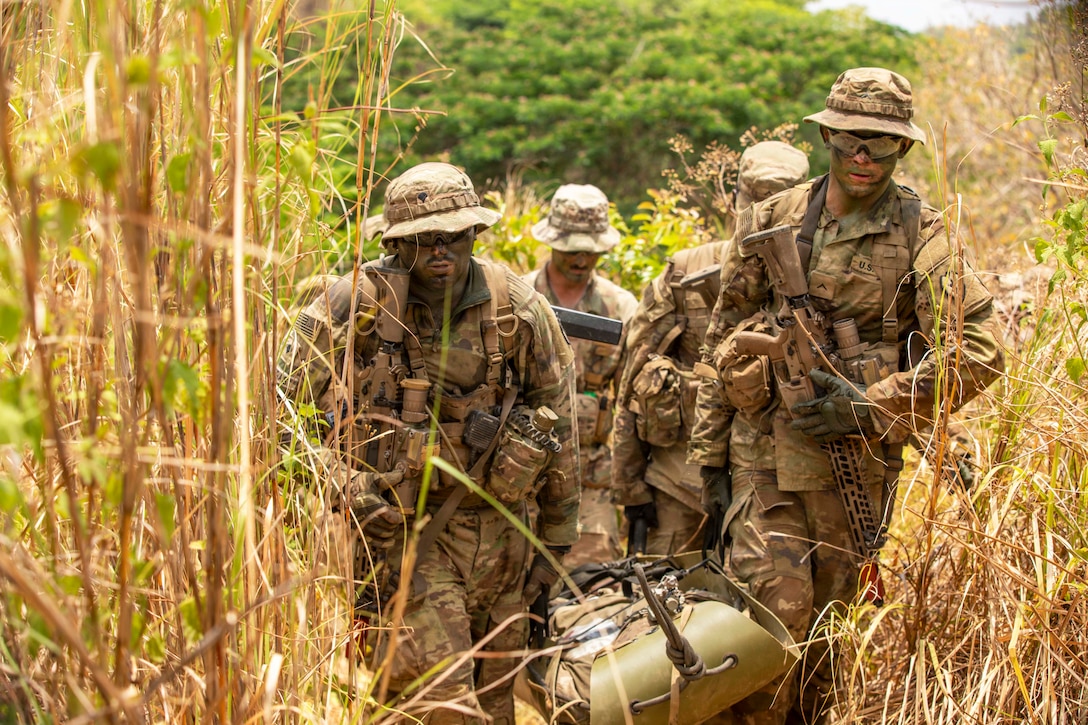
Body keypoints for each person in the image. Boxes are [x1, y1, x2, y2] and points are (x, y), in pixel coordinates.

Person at [688, 68, 1004, 724]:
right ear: (826, 137)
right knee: (773, 619)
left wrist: (870, 402)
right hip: (764, 457)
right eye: (850, 139)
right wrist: (711, 460)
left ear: (904, 147)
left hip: (855, 470)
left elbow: (980, 352)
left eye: (881, 143)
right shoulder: (773, 218)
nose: (863, 156)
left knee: (828, 641)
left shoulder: (923, 232)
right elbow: (721, 336)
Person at [278, 162, 580, 724]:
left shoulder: (516, 306)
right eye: (423, 239)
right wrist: (342, 482)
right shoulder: (349, 304)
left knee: (496, 703)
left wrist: (556, 543)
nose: (440, 251)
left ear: (475, 233)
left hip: (504, 535)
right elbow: (278, 423)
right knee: (437, 705)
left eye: (453, 236)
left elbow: (559, 421)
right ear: (396, 243)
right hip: (404, 538)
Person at [613, 141, 809, 556]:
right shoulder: (684, 274)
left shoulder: (821, 285)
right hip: (681, 488)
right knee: (666, 592)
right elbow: (633, 382)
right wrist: (631, 489)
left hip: (779, 493)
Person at [524, 184, 638, 567]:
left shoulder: (620, 307)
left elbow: (633, 398)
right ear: (552, 241)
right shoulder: (519, 298)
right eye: (572, 249)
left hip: (591, 476)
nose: (582, 258)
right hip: (521, 469)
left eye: (590, 250)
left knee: (594, 579)